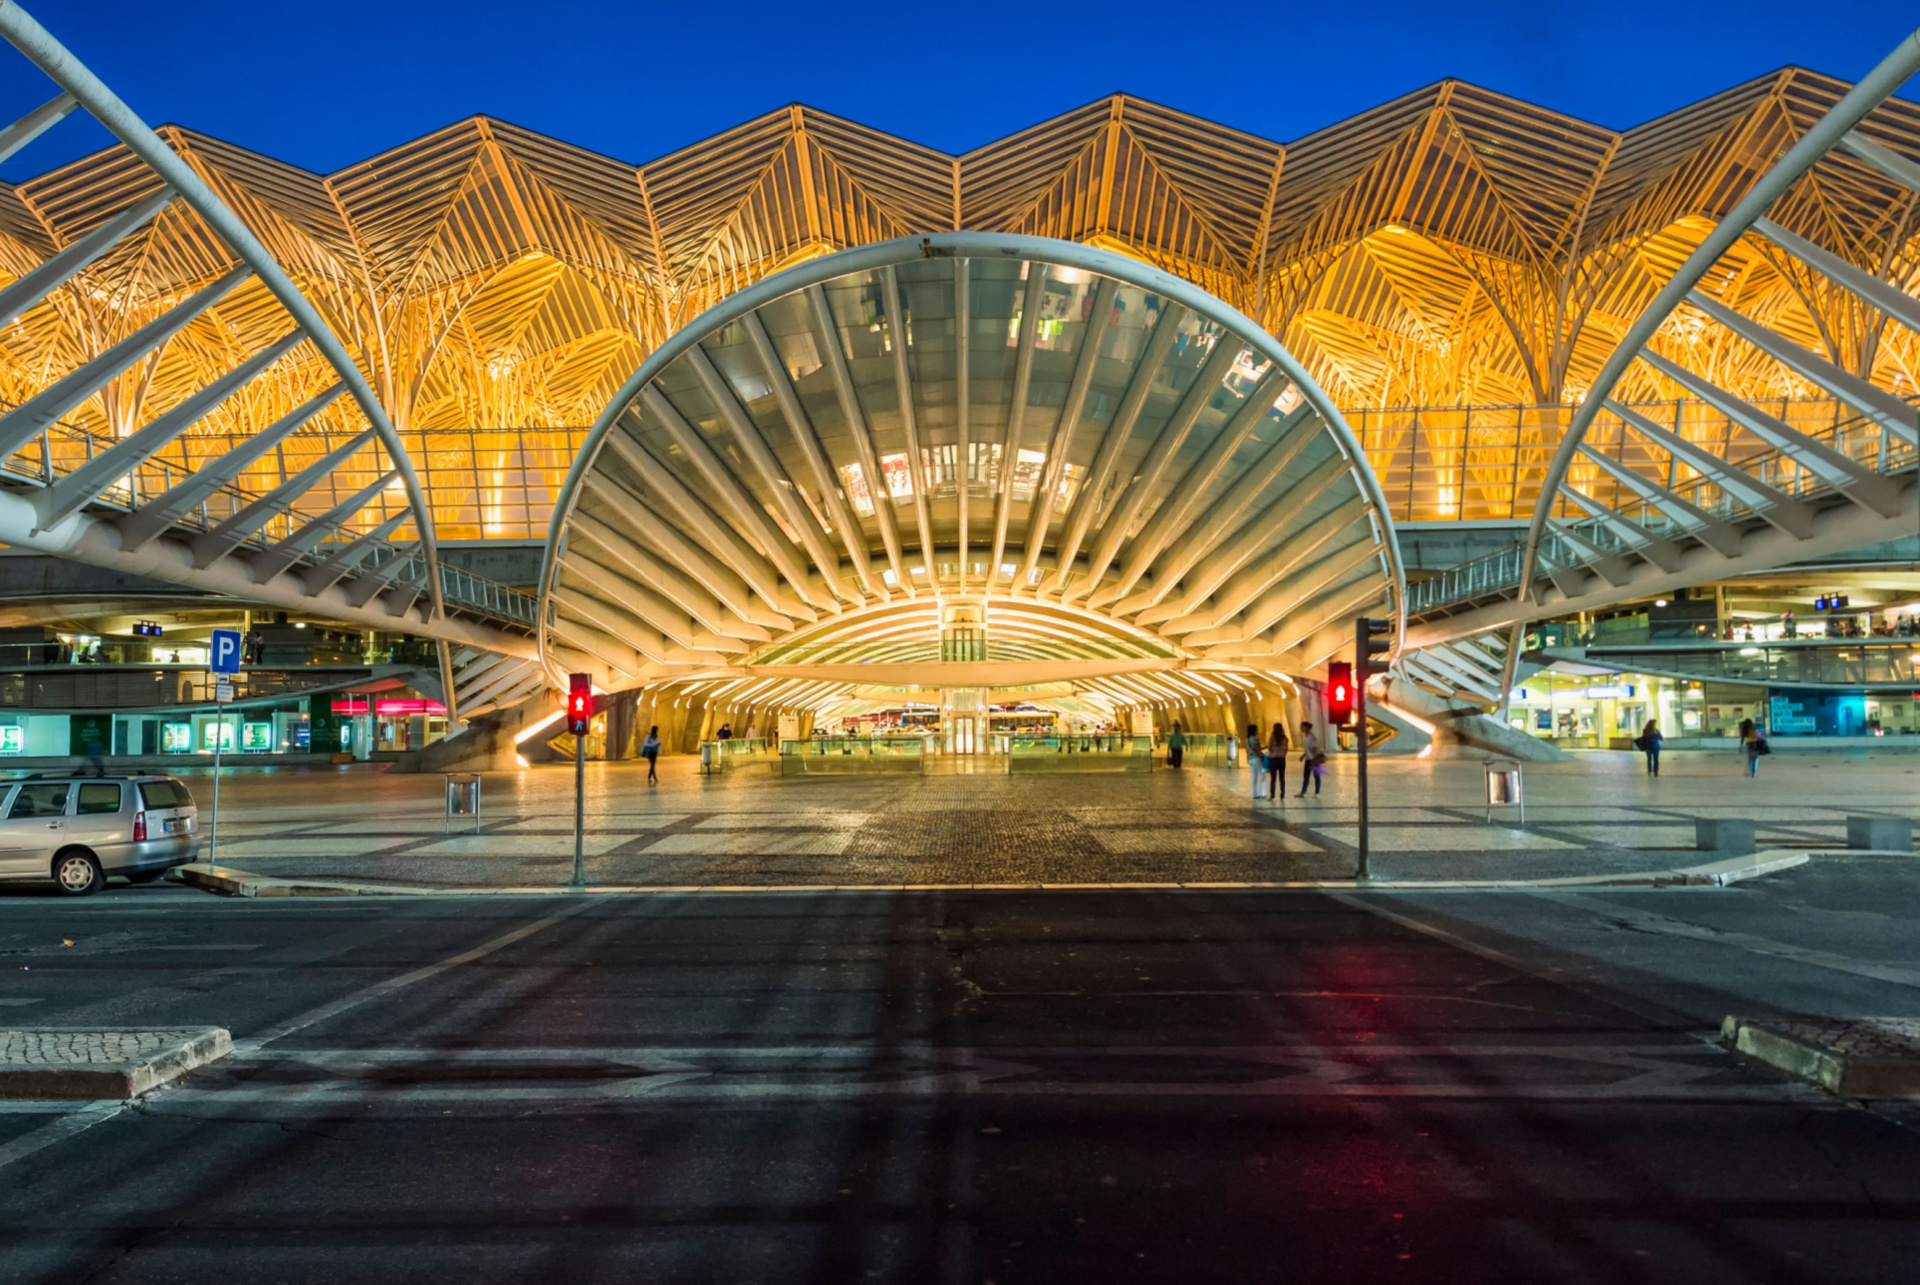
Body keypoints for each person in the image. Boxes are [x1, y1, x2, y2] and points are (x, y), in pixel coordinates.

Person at [1297, 721, 1323, 797]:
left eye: (1302, 726)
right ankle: (1303, 792)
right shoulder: (1306, 737)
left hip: (1313, 759)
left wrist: (1316, 759)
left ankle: (1317, 793)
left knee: (1316, 776)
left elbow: (1315, 748)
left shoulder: (1311, 737)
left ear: (1306, 727)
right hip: (1308, 759)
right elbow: (1308, 749)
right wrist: (1303, 755)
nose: (1300, 728)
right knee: (1306, 776)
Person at [1266, 722, 1290, 800]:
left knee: (1273, 779)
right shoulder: (1285, 738)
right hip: (1282, 759)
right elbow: (1286, 749)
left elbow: (1269, 747)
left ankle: (1272, 795)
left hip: (1273, 759)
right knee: (1282, 778)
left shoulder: (1272, 737)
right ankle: (1282, 795)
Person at [1243, 723, 1264, 800]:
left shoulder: (1247, 739)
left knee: (1254, 777)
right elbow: (1257, 748)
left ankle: (1254, 794)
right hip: (1256, 758)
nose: (1257, 730)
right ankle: (1262, 792)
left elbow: (1247, 750)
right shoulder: (1255, 738)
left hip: (1250, 759)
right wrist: (1265, 747)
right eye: (1256, 729)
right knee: (1262, 774)